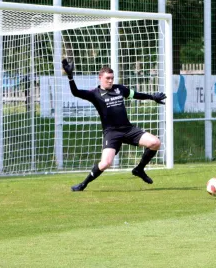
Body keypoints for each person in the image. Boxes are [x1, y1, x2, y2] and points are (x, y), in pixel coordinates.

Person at [62, 59, 166, 192]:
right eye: (108, 78)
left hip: (128, 129)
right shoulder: (94, 94)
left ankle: (139, 169)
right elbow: (76, 92)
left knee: (155, 142)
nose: (110, 81)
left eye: (112, 78)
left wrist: (152, 97)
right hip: (111, 133)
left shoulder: (119, 89)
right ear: (100, 78)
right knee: (105, 163)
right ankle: (83, 185)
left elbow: (136, 95)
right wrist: (70, 77)